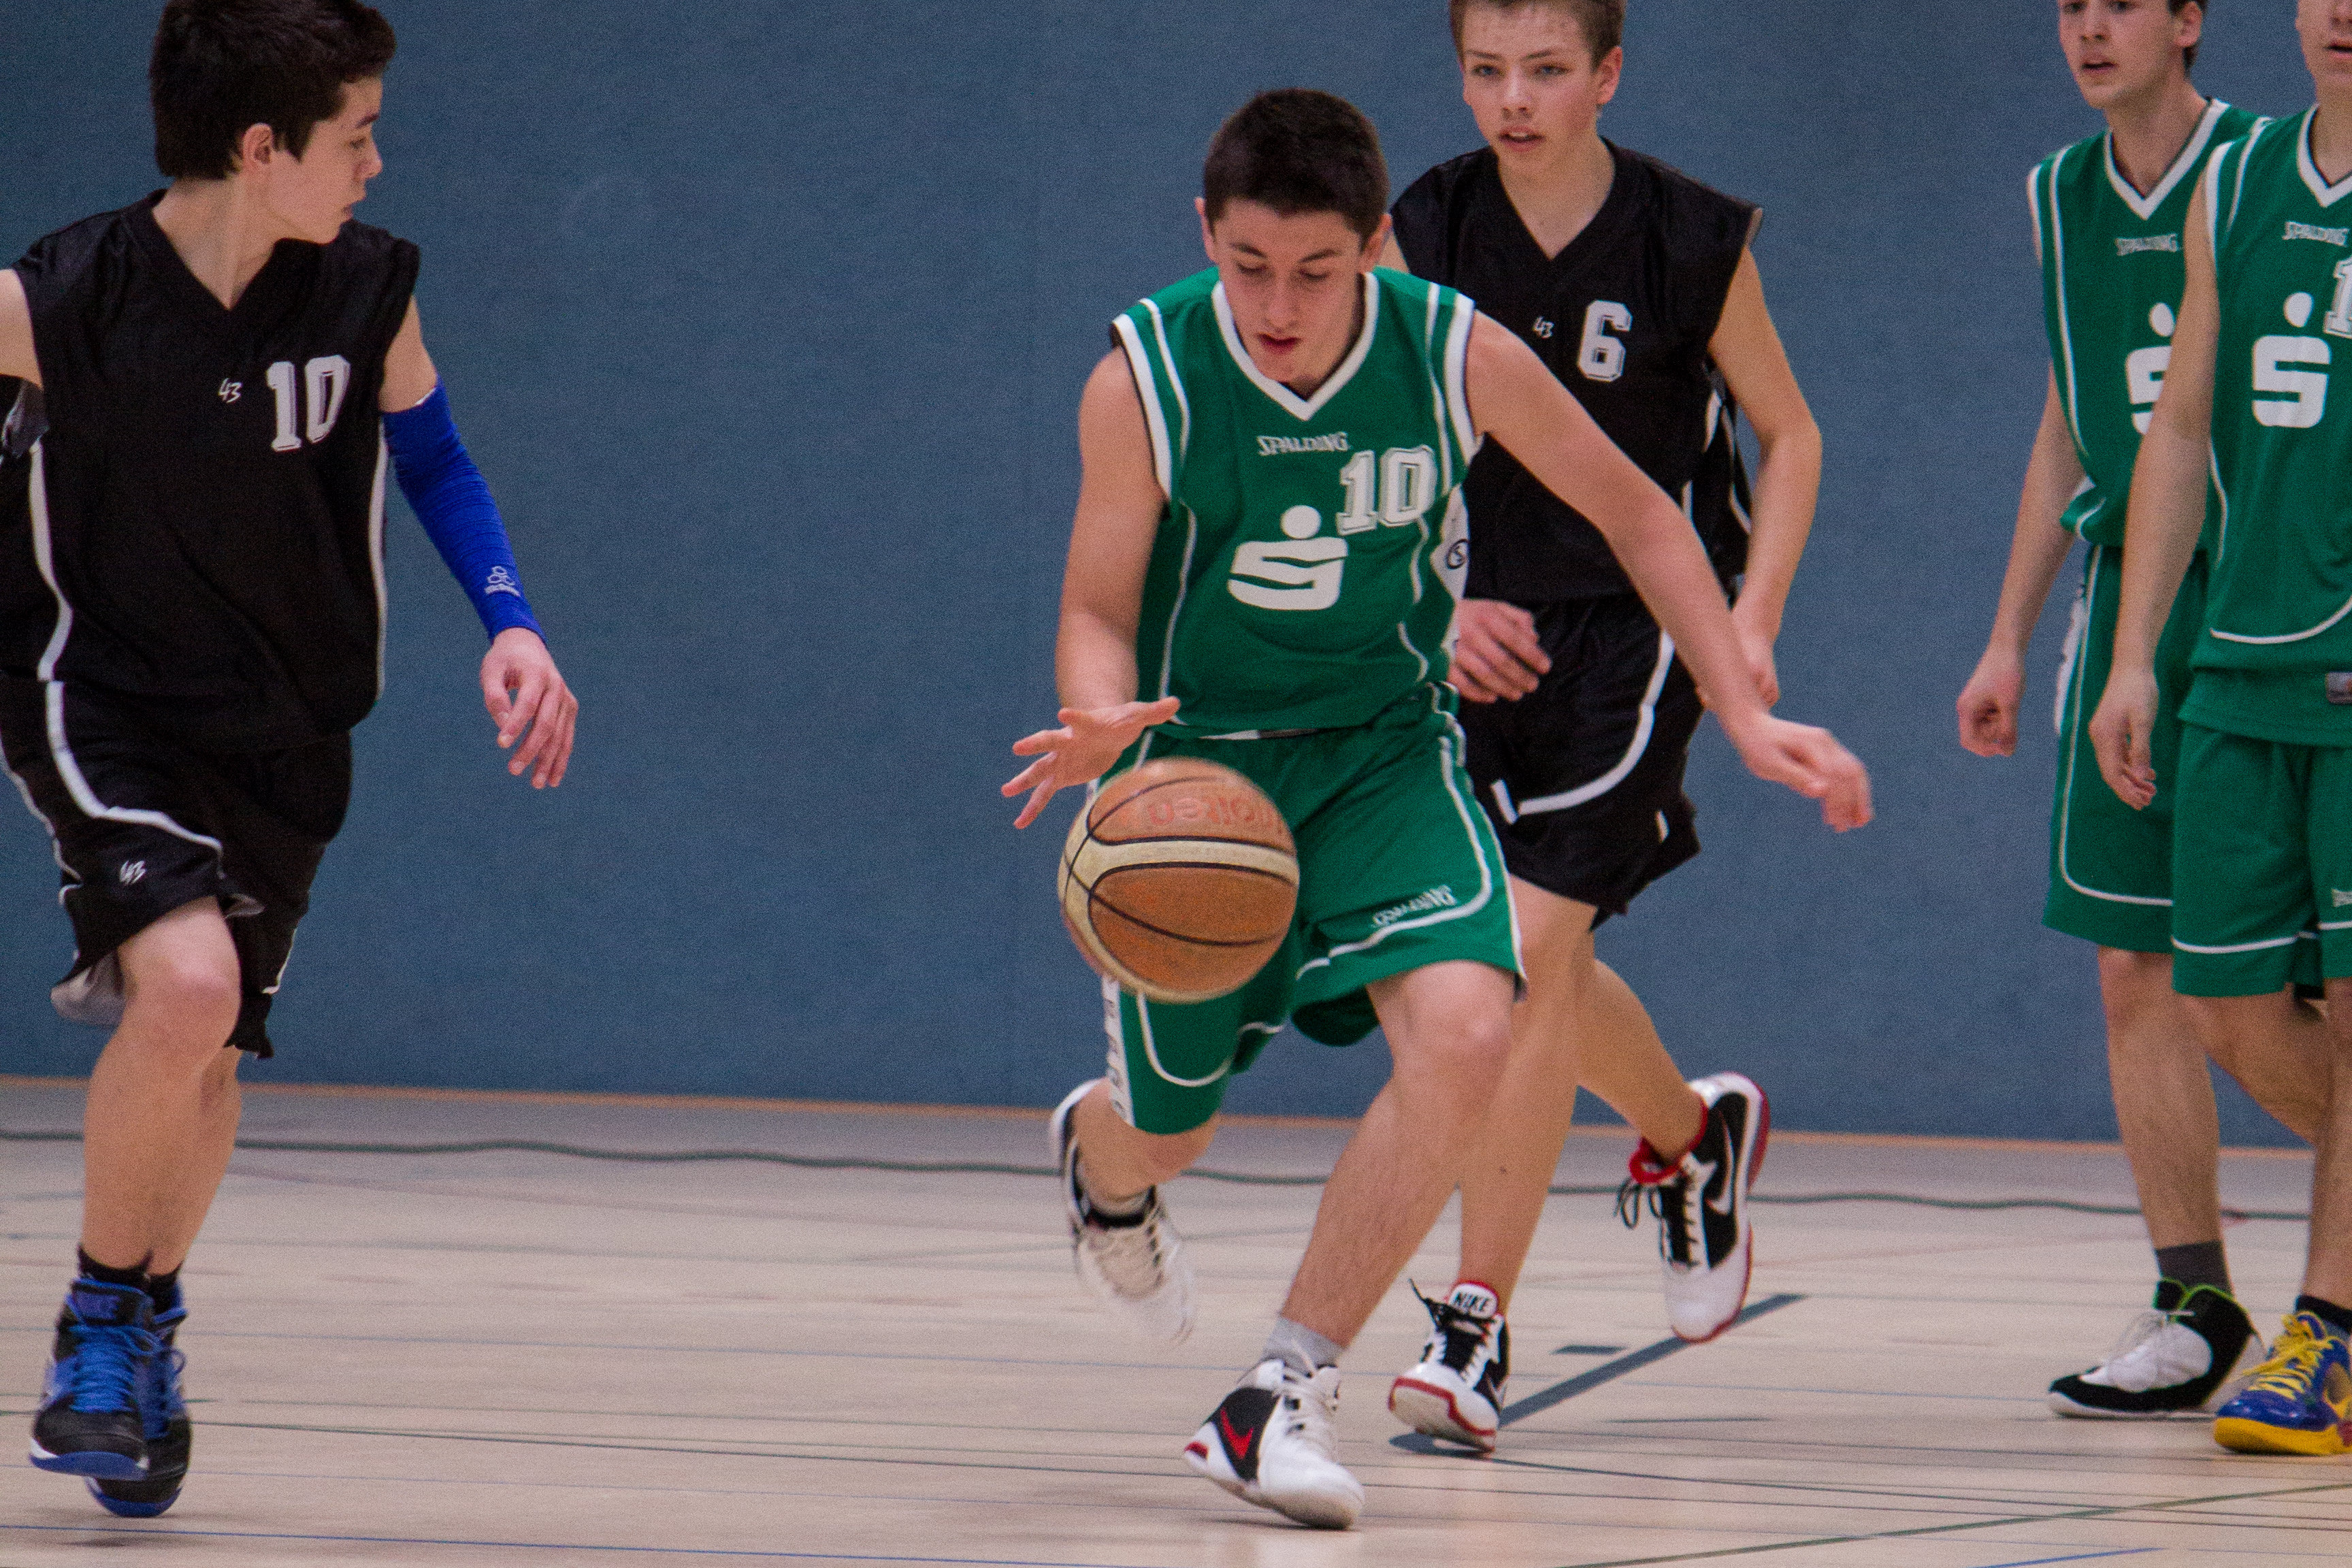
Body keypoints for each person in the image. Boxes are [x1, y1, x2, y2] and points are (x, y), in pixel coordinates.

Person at [1002, 87, 1869, 1529]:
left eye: (1316, 270)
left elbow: (1644, 513)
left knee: (1475, 1023)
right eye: (1249, 266)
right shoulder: (1142, 378)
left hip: (1385, 758)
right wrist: (1099, 714)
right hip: (1200, 780)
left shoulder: (1454, 350)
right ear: (1205, 235)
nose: (1279, 307)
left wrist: (1743, 704)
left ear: (1374, 246)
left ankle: (1280, 1390)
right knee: (1168, 1131)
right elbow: (1097, 605)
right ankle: (1105, 1173)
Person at [1, 0, 578, 1516]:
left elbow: (434, 454)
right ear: (262, 148)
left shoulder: (366, 288)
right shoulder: (62, 298)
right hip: (102, 700)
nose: (377, 164)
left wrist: (512, 622)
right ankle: (101, 1325)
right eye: (357, 135)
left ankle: (148, 1324)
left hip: (286, 723)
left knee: (211, 1040)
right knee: (186, 988)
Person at [1376, 0, 1827, 1449]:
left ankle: (1473, 1326)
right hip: (1479, 635)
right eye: (1485, 72)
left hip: (1639, 633)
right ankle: (1693, 1141)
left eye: (1547, 71)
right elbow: (1374, 439)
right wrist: (1438, 602)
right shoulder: (1424, 226)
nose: (1513, 99)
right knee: (1541, 961)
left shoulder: (1688, 234)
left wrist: (1751, 616)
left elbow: (1790, 433)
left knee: (1511, 966)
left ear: (1608, 73)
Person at [1961, 0, 2332, 1422]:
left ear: (2190, 21)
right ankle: (2197, 1300)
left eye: (2123, 2)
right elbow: (2072, 411)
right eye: (2073, 6)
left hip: (2264, 579)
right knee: (2136, 967)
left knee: (2280, 989)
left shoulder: (2256, 163)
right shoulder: (2057, 194)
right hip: (2133, 592)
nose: (2091, 28)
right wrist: (2008, 633)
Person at [2091, 0, 2352, 1457]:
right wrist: (2135, 654)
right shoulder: (2239, 180)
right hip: (2239, 663)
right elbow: (2181, 428)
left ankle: (2329, 1335)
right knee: (2228, 1010)